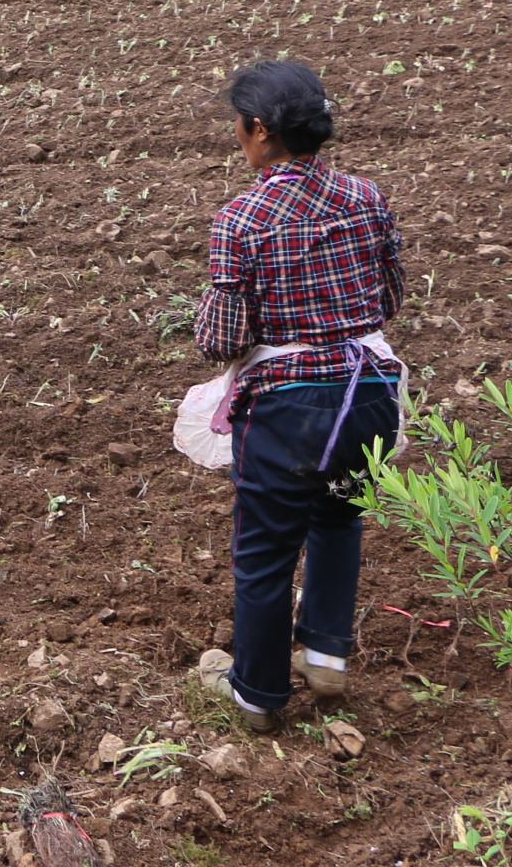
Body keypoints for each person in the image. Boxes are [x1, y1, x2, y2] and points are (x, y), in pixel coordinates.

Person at [195, 59, 405, 733]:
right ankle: (326, 657)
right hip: (369, 392)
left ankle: (258, 693)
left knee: (264, 550)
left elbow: (223, 338)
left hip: (290, 408)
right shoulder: (367, 198)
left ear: (260, 130)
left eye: (239, 125)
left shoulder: (242, 219)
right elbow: (389, 298)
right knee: (340, 517)